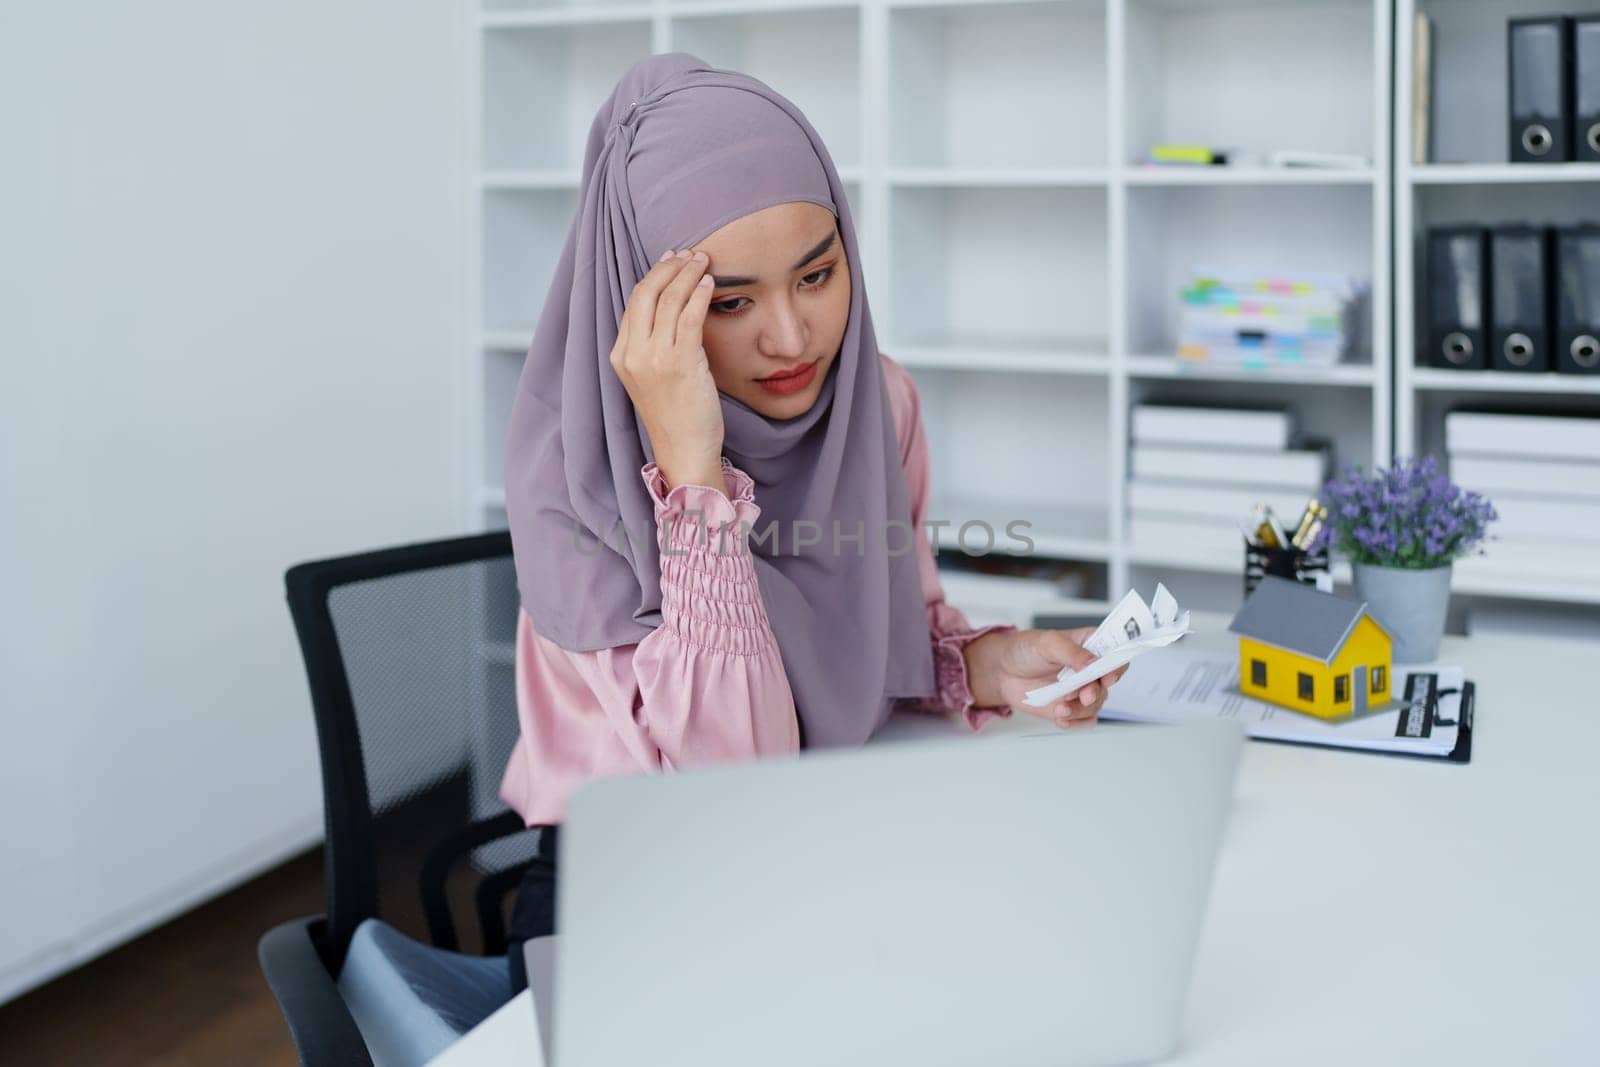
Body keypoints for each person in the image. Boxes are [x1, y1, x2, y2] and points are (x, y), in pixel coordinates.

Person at [497, 52, 1126, 994]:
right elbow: (727, 783)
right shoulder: (575, 476)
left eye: (818, 274)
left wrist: (984, 662)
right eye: (730, 301)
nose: (793, 340)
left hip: (828, 833)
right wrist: (693, 473)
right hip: (627, 882)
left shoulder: (876, 404)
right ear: (642, 301)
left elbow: (881, 631)